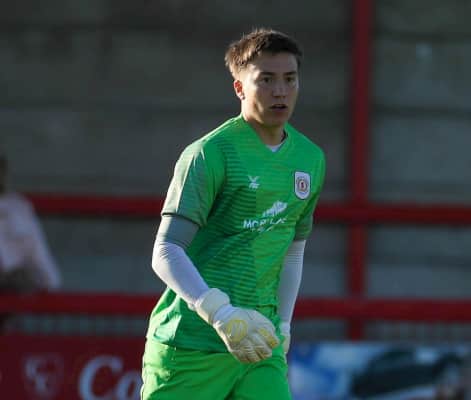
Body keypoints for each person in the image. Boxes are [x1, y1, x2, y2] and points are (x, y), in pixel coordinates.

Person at [141, 28, 325, 400]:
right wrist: (222, 314)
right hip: (192, 347)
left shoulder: (311, 159)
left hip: (261, 347)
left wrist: (284, 325)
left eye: (290, 79)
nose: (280, 91)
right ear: (240, 88)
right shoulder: (209, 154)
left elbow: (293, 251)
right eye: (266, 80)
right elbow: (165, 251)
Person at [0, 153, 61, 329]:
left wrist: (51, 283)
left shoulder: (18, 207)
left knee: (23, 278)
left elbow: (36, 248)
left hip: (12, 285)